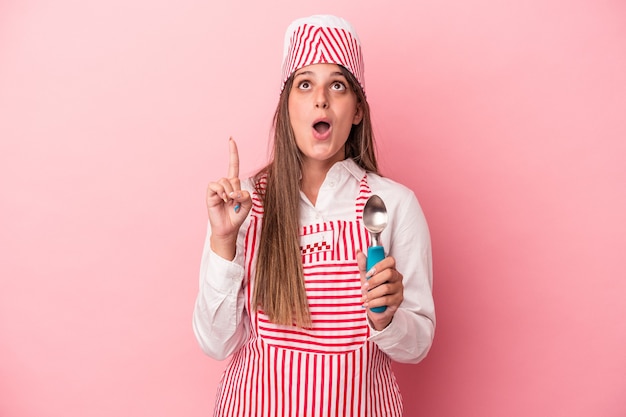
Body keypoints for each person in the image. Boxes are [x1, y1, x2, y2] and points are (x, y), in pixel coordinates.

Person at [193, 14, 435, 417]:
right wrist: (223, 243)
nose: (320, 99)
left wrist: (387, 319)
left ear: (357, 110)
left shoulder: (392, 204)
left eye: (337, 85)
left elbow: (418, 345)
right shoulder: (244, 204)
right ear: (288, 106)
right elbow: (215, 344)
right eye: (304, 84)